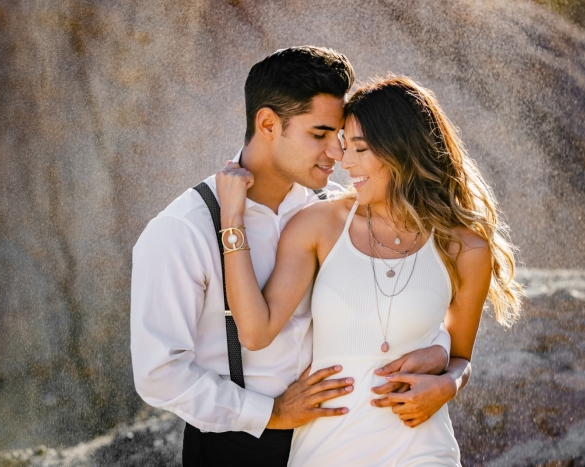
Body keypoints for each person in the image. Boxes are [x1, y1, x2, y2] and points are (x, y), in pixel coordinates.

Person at [131, 47, 455, 467]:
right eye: (319, 135)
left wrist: (442, 354)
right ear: (267, 124)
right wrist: (272, 414)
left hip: (334, 440)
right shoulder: (183, 229)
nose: (336, 154)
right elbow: (159, 374)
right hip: (236, 444)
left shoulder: (335, 212)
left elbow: (404, 299)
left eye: (338, 137)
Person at [215, 74, 525, 466]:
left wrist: (448, 383)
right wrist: (232, 217)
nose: (344, 162)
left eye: (359, 149)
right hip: (327, 451)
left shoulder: (464, 247)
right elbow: (256, 332)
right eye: (346, 148)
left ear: (401, 151)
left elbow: (460, 356)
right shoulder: (319, 225)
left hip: (422, 451)